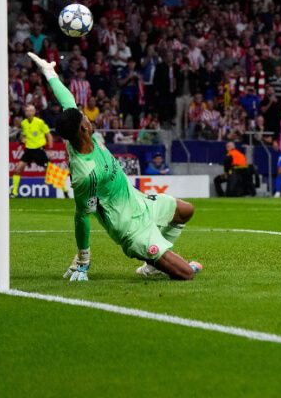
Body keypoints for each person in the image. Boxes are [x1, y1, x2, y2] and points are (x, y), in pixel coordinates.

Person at [27, 52, 201, 281]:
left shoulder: (80, 134)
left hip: (140, 202)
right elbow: (81, 217)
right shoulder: (85, 175)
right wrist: (83, 259)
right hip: (130, 228)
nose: (87, 117)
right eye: (84, 118)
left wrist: (50, 74)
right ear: (83, 129)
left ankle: (154, 263)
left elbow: (67, 100)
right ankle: (154, 255)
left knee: (186, 210)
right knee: (187, 274)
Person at [13, 103, 52, 197]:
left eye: (31, 110)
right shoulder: (23, 123)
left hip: (39, 149)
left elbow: (48, 135)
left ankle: (58, 190)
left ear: (34, 112)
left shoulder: (40, 122)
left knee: (48, 169)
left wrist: (50, 149)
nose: (29, 112)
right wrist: (22, 140)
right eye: (27, 111)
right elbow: (24, 136)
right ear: (25, 113)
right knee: (17, 170)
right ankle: (14, 192)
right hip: (29, 151)